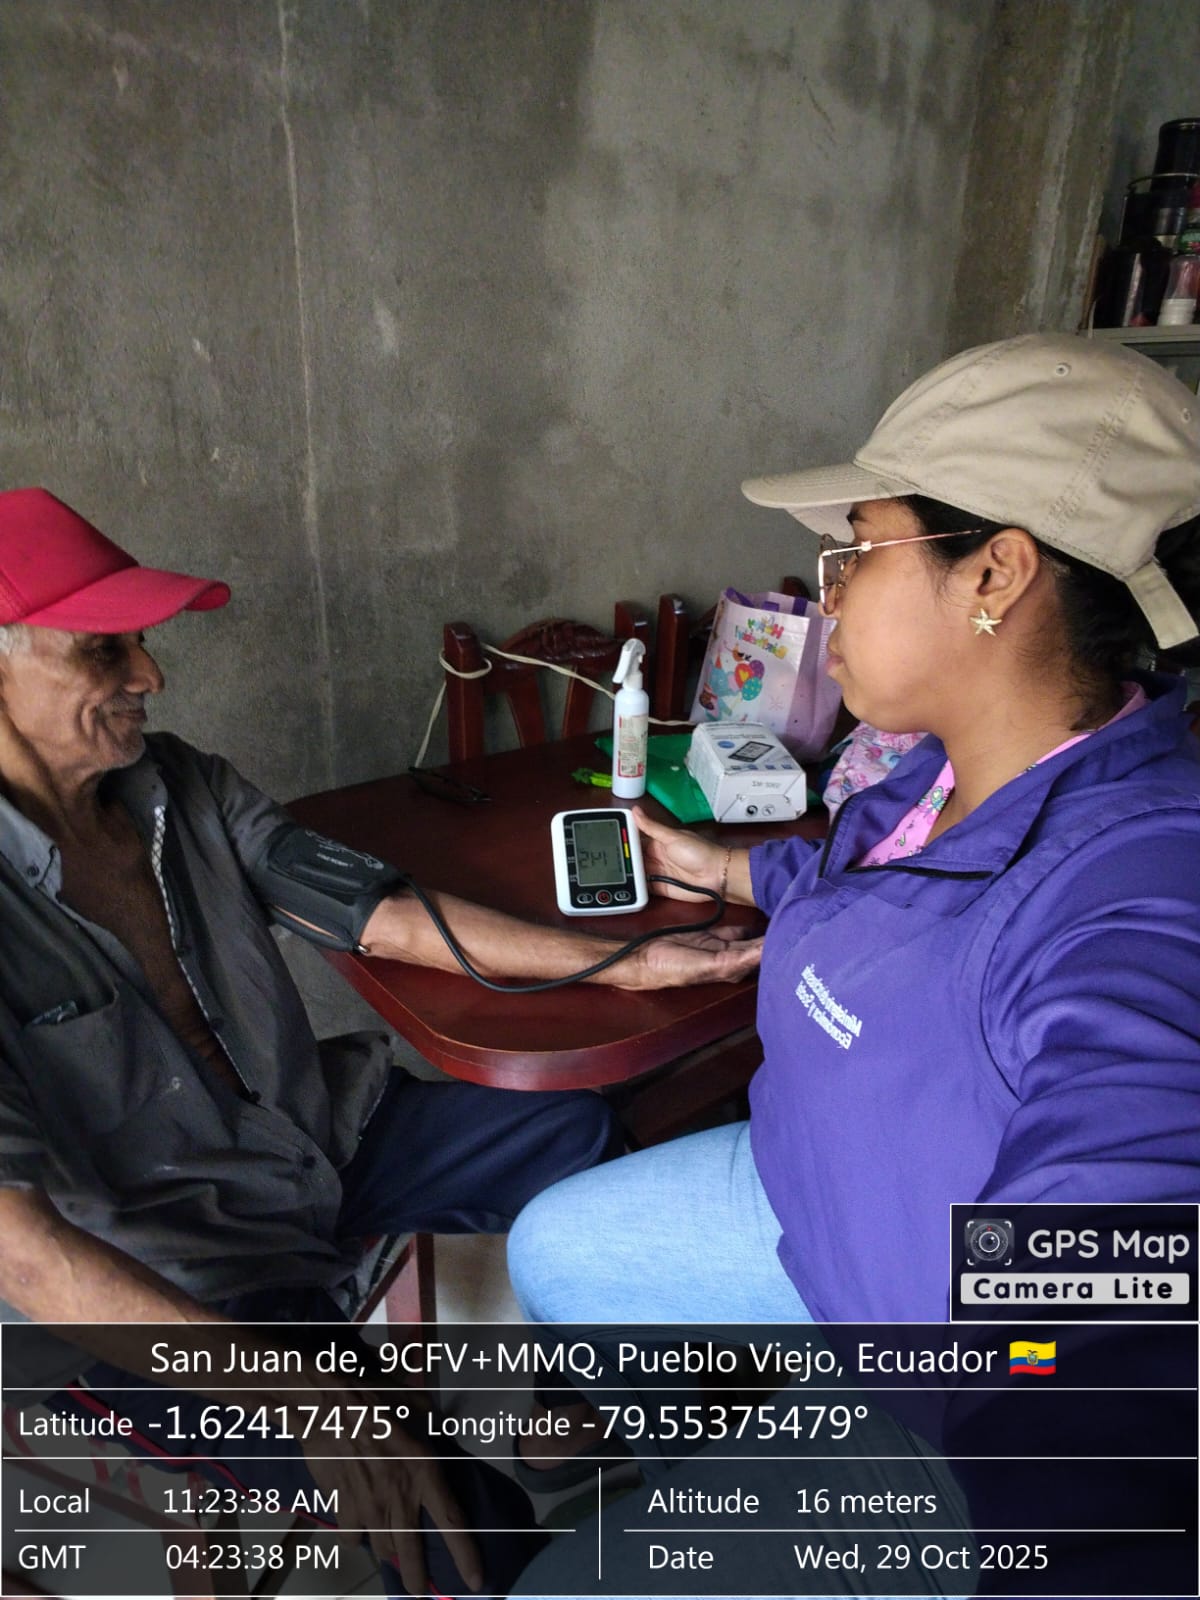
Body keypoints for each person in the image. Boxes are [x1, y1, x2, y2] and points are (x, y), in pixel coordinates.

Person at [0, 485, 759, 1595]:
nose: (150, 676)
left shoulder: (179, 786)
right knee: (460, 1526)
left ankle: (626, 1430)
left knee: (585, 1136)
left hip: (313, 1142)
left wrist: (627, 963)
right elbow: (26, 1257)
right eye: (104, 650)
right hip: (160, 1274)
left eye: (143, 643)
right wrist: (304, 1394)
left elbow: (383, 915)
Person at [507, 331, 1200, 1330]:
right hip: (807, 1188)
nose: (827, 601)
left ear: (996, 574)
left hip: (909, 1312)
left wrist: (1011, 1394)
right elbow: (891, 886)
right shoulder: (952, 765)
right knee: (549, 1251)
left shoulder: (1139, 891)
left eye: (856, 553)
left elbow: (1117, 1286)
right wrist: (732, 871)